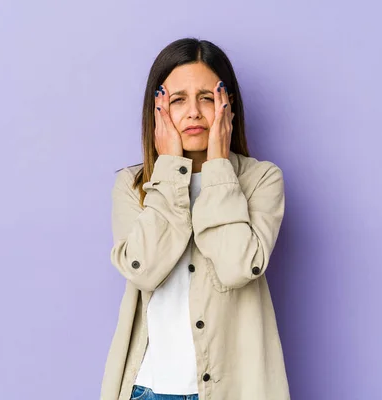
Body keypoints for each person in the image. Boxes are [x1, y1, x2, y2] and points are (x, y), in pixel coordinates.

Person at [99, 37, 290, 400]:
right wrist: (170, 170)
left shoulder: (261, 180)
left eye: (207, 97)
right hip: (147, 390)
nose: (193, 113)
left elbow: (237, 267)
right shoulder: (133, 185)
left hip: (234, 390)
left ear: (227, 104)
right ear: (157, 110)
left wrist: (218, 168)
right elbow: (144, 269)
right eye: (178, 100)